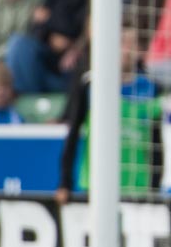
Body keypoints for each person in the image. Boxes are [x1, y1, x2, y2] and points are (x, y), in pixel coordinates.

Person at [56, 25, 163, 206]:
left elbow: (156, 143)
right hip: (96, 185)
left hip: (137, 186)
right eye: (121, 42)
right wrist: (64, 183)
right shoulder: (90, 85)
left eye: (131, 43)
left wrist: (155, 187)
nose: (126, 50)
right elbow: (73, 134)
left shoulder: (151, 88)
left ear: (139, 49)